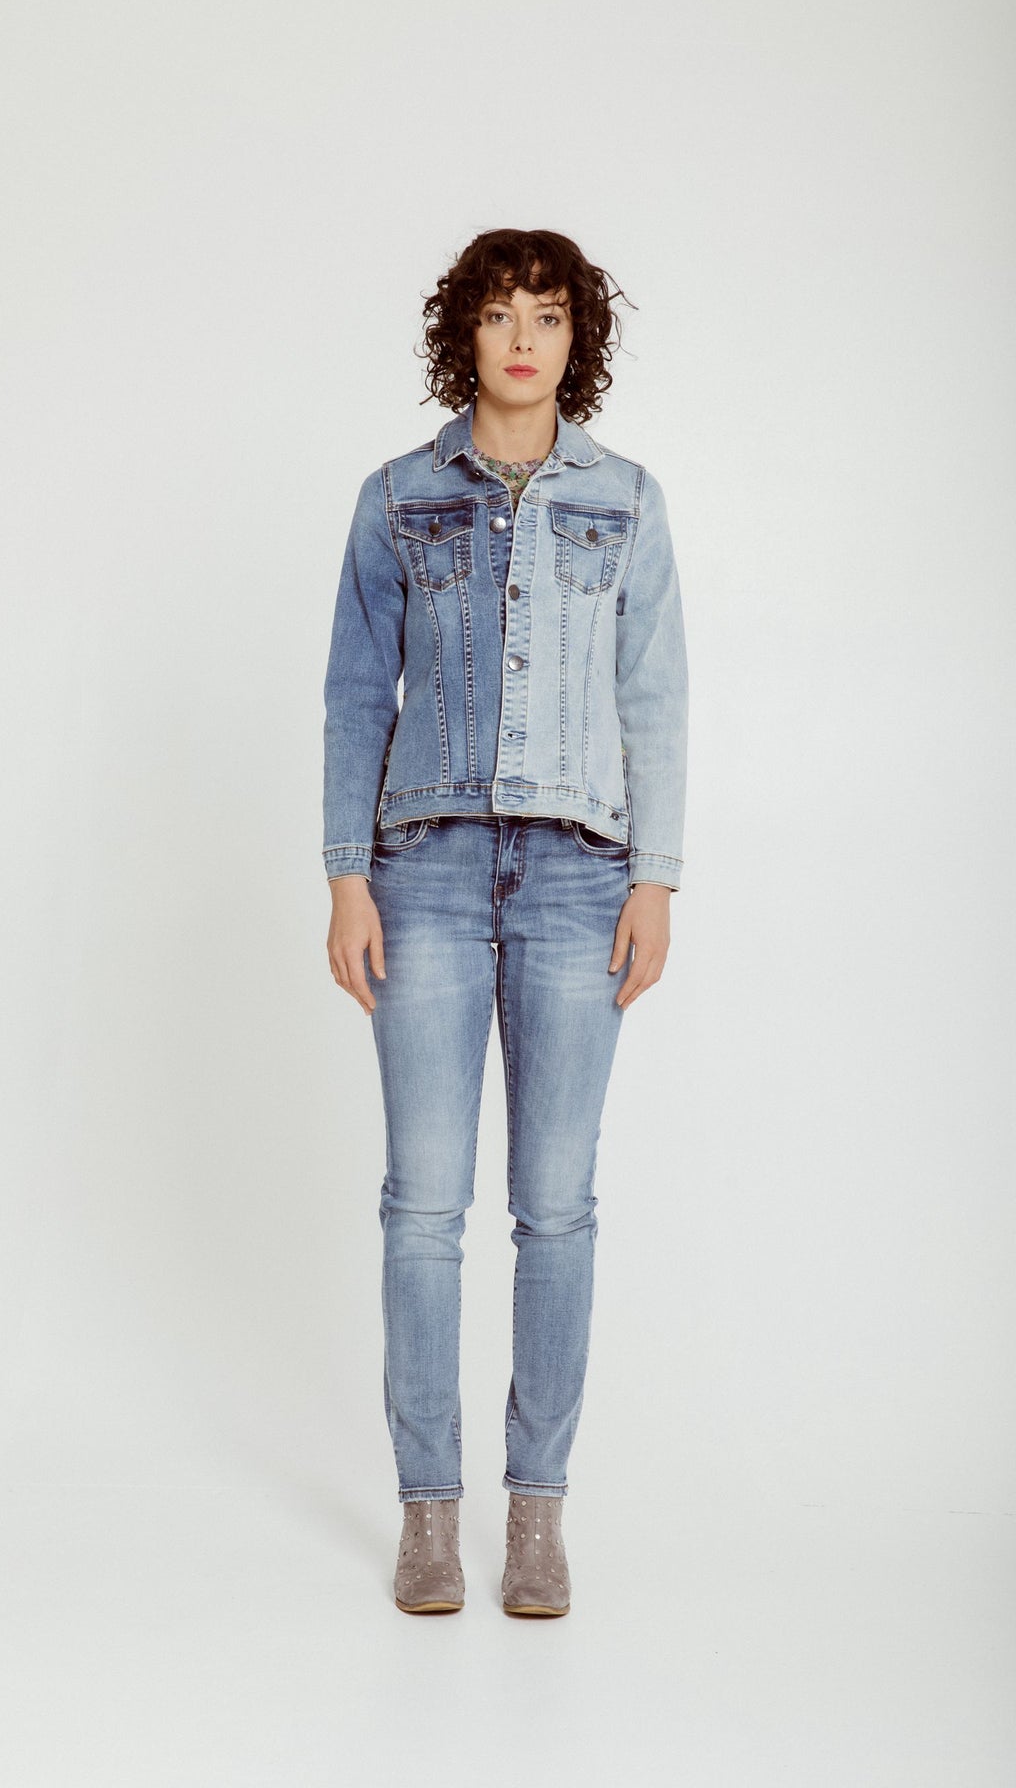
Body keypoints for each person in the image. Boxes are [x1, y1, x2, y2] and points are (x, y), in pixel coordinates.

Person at [321, 227, 689, 1617]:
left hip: (582, 874)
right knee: (424, 1205)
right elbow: (356, 692)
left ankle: (538, 1516)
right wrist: (345, 875)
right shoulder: (398, 496)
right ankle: (429, 1515)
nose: (522, 338)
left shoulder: (627, 501)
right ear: (461, 335)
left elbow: (655, 695)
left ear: (575, 337)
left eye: (546, 314)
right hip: (420, 865)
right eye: (497, 314)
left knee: (558, 1206)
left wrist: (655, 877)